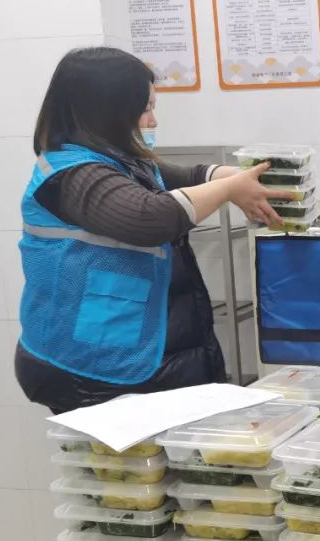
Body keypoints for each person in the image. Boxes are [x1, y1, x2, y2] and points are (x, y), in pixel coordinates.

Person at [15, 47, 289, 413]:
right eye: (145, 109)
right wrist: (228, 189)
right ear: (107, 111)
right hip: (92, 365)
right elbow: (149, 219)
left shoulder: (118, 163)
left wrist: (236, 177)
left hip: (131, 344)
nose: (153, 121)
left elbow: (187, 176)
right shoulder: (73, 176)